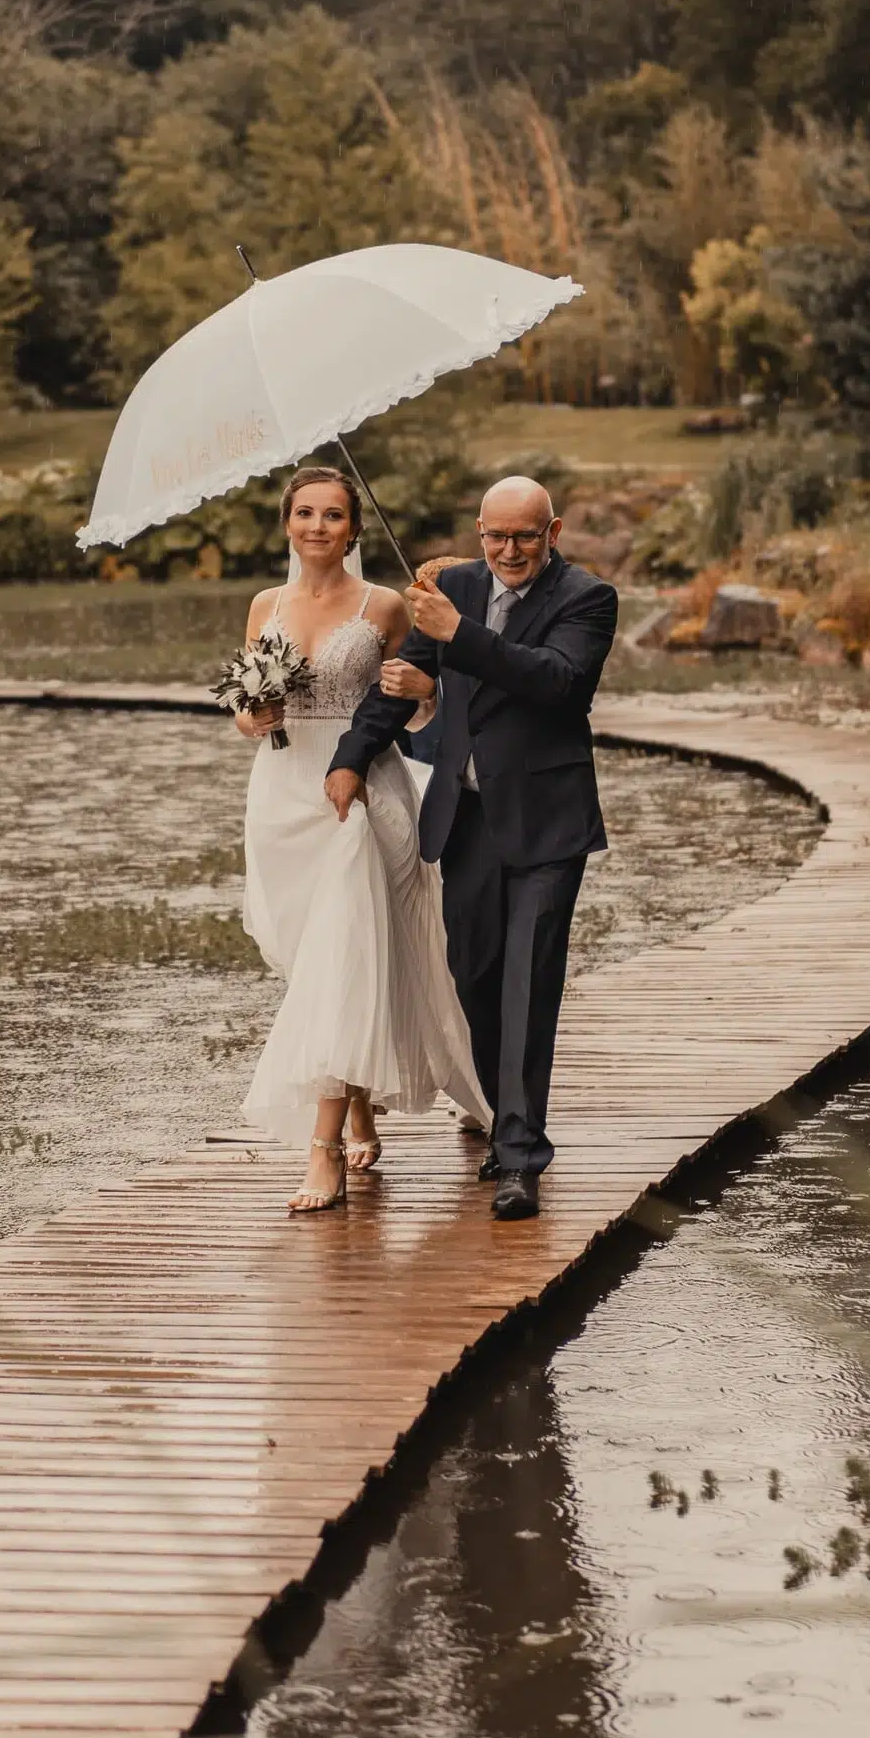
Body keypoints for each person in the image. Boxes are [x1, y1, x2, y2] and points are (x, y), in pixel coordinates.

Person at [325, 478, 618, 1221]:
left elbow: (557, 683)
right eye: (494, 536)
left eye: (524, 537)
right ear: (478, 530)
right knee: (475, 975)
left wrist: (461, 635)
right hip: (467, 817)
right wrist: (351, 757)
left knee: (527, 982)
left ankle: (519, 1156)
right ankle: (501, 1117)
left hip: (547, 821)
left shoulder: (587, 598)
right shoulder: (451, 588)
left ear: (552, 534)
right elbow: (398, 688)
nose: (508, 551)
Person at [237, 466, 490, 1213]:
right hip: (281, 794)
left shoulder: (384, 604)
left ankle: (323, 1155)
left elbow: (418, 706)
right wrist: (254, 717)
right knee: (305, 959)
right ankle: (354, 1109)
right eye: (305, 513)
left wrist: (428, 694)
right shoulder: (263, 605)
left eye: (334, 515)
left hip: (360, 794)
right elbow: (249, 710)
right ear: (287, 523)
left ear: (353, 528)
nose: (318, 527)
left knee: (345, 958)